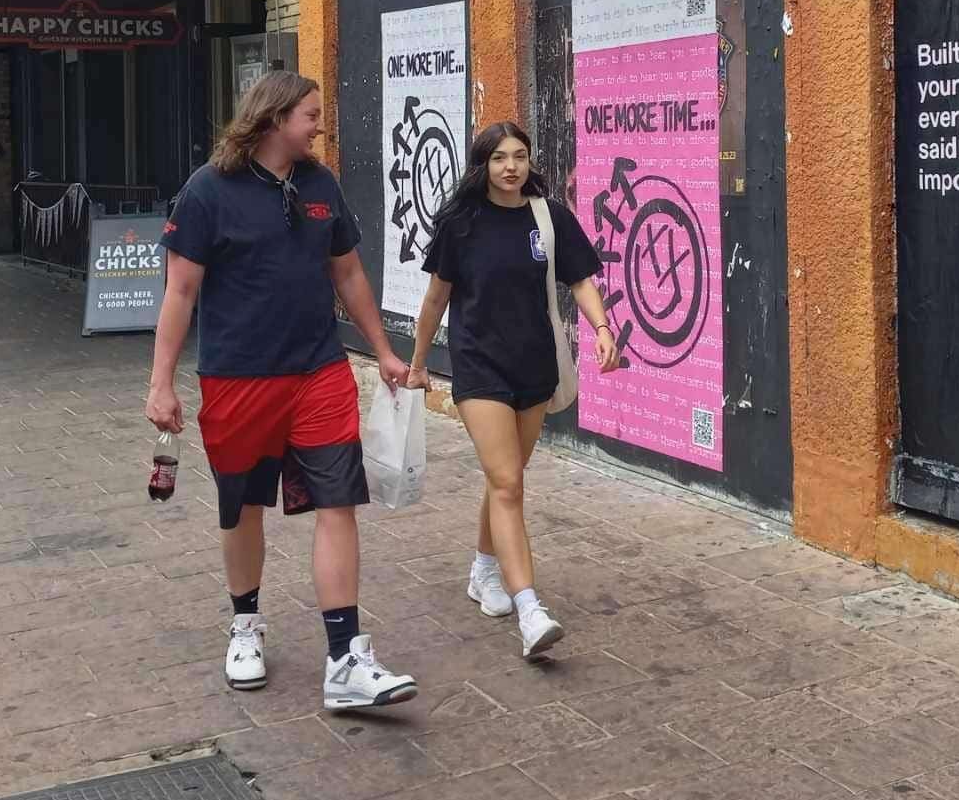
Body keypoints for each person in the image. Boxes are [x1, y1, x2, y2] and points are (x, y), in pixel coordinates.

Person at [146, 72, 419, 711]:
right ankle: (245, 625)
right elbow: (179, 292)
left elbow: (347, 271)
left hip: (319, 372)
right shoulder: (208, 191)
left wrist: (381, 351)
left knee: (338, 501)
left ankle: (346, 658)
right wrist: (161, 384)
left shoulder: (320, 185)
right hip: (238, 378)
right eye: (310, 115)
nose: (320, 125)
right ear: (272, 118)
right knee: (242, 508)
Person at [408, 121, 619, 660]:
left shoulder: (548, 217)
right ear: (483, 164)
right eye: (500, 157)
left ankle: (483, 569)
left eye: (520, 156)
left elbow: (580, 280)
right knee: (507, 482)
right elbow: (435, 300)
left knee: (508, 478)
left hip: (534, 365)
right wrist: (416, 364)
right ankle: (530, 609)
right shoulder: (461, 223)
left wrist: (601, 328)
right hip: (479, 367)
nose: (511, 167)